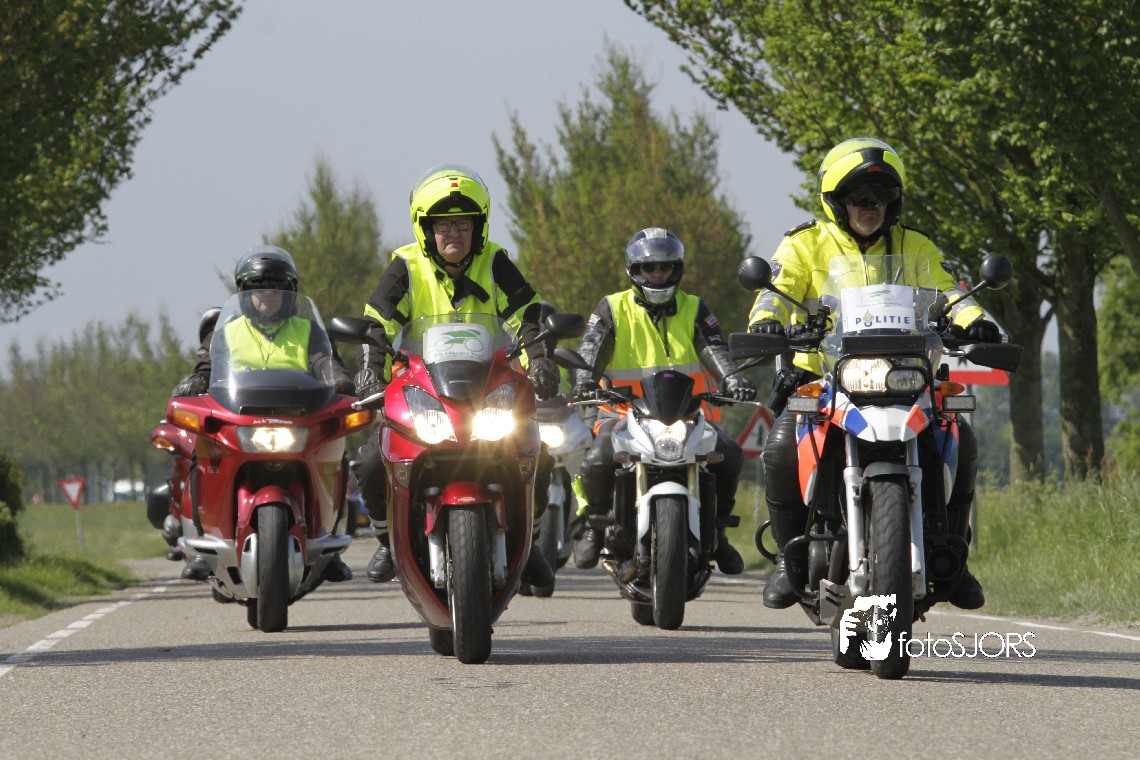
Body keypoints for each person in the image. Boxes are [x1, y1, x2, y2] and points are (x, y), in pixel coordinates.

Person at [747, 137, 1001, 610]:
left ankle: (955, 556)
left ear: (894, 201)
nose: (871, 206)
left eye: (881, 196)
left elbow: (950, 291)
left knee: (961, 439)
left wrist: (974, 319)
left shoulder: (915, 245)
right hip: (824, 378)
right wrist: (767, 320)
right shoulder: (805, 243)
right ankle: (788, 559)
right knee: (779, 447)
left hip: (907, 376)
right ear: (836, 201)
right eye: (859, 197)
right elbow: (775, 290)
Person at [352, 164, 560, 586]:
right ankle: (386, 540)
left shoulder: (495, 261)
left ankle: (530, 540)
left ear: (478, 226)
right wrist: (370, 372)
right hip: (422, 390)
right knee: (373, 460)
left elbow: (526, 316)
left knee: (534, 452)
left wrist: (540, 359)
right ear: (425, 229)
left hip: (490, 388)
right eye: (442, 225)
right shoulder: (405, 266)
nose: (453, 233)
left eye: (463, 223)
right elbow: (378, 325)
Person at [571, 227, 755, 575]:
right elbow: (591, 349)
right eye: (649, 267)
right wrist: (584, 381)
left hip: (687, 414)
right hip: (621, 413)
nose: (658, 274)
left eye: (665, 267)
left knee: (729, 454)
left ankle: (717, 533)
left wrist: (732, 378)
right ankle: (595, 528)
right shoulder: (613, 307)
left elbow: (714, 348)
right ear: (633, 270)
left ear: (677, 269)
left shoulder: (694, 307)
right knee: (597, 459)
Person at [171, 245, 355, 582]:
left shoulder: (308, 330)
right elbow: (207, 366)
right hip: (240, 417)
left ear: (290, 293)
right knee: (201, 455)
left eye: (276, 288)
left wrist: (339, 377)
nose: (266, 295)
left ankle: (329, 546)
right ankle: (204, 545)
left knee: (338, 452)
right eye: (257, 289)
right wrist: (196, 380)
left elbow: (324, 360)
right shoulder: (226, 332)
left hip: (298, 416)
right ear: (244, 294)